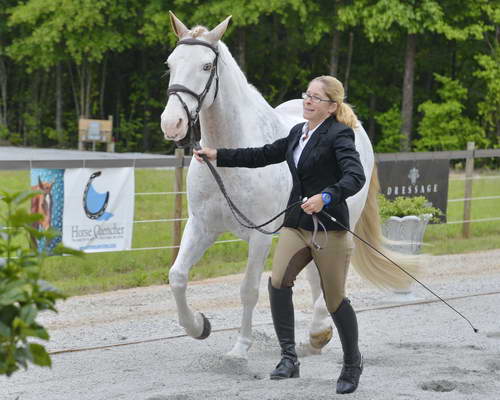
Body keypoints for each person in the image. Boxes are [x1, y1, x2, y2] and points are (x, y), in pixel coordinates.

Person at [194, 76, 366, 394]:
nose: (307, 101)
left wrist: (326, 196)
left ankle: (352, 363)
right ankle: (288, 358)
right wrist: (217, 154)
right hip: (296, 224)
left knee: (334, 300)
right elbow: (262, 155)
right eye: (307, 95)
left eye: (316, 98)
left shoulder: (340, 135)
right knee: (277, 283)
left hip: (329, 229)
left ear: (331, 106)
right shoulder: (298, 133)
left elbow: (355, 176)